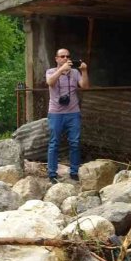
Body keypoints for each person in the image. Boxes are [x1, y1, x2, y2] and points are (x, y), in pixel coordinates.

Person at [45, 48, 89, 183]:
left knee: (75, 143)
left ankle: (74, 172)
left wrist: (84, 71)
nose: (65, 58)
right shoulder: (51, 71)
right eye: (62, 56)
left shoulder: (75, 72)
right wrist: (61, 70)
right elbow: (50, 82)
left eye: (67, 56)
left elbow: (85, 87)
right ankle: (52, 174)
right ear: (56, 59)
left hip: (73, 112)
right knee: (54, 143)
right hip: (55, 113)